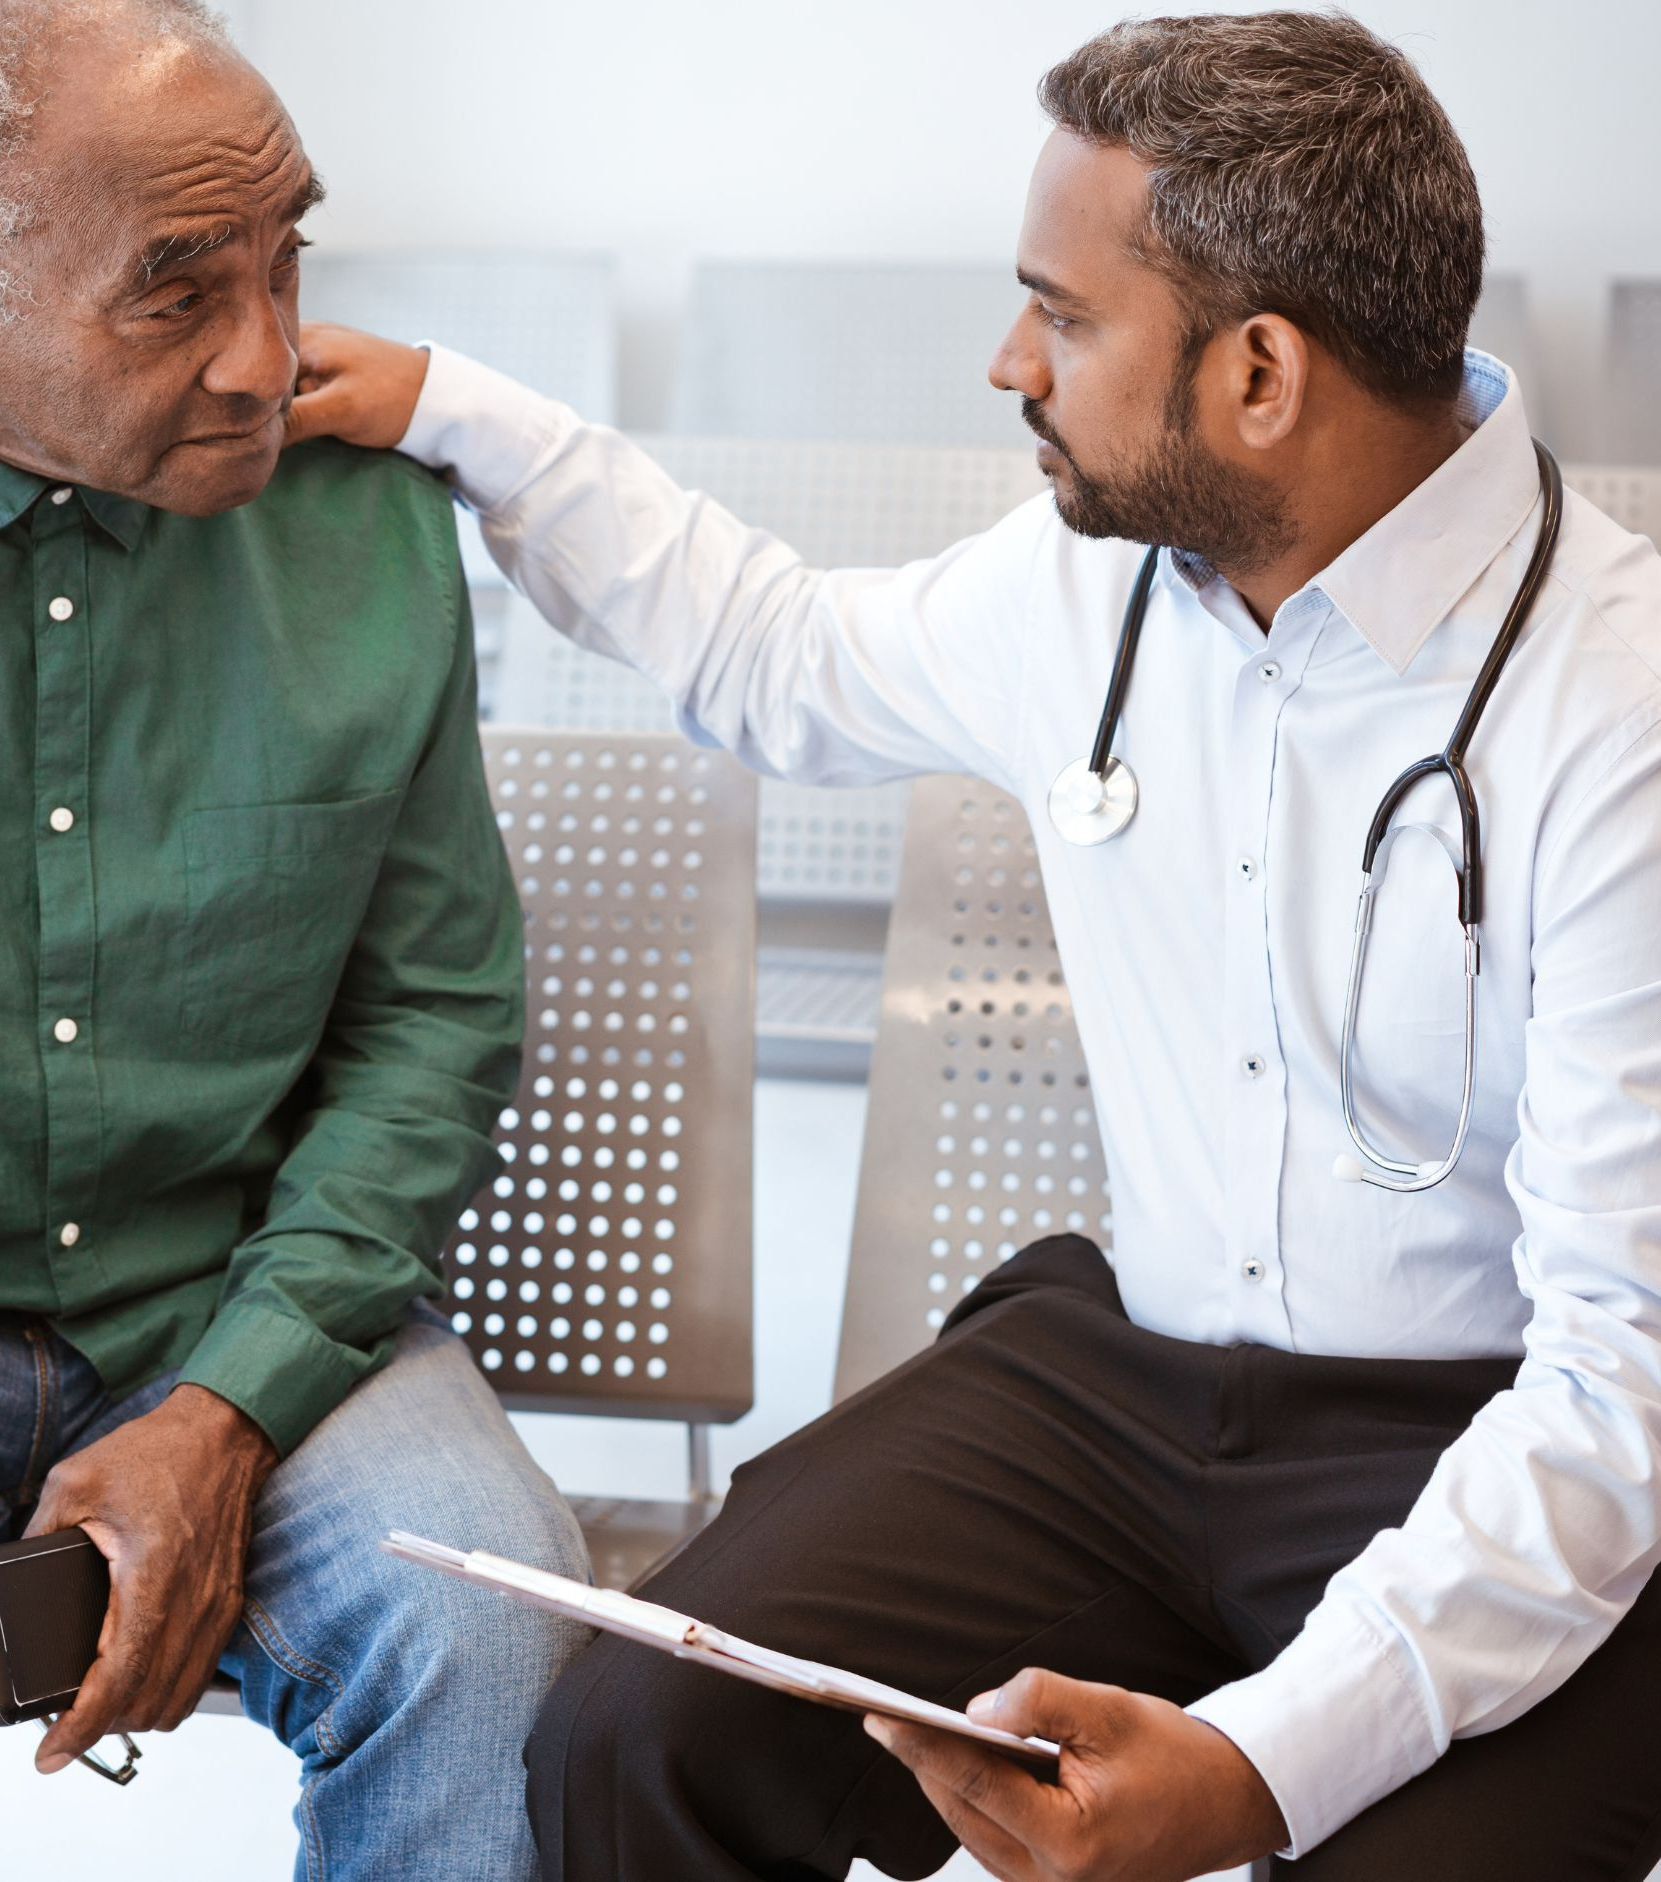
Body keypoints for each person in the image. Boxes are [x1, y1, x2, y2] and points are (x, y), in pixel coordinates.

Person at [285, 12, 1661, 1881]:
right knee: (638, 1736)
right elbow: (771, 650)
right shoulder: (1090, 578)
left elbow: (1617, 1380)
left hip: (1500, 1435)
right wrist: (452, 403)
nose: (1009, 362)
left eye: (1065, 317)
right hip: (1126, 1386)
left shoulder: (1622, 710)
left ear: (1261, 372)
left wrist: (1254, 1764)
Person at [0, 3, 588, 1879]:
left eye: (287, 255)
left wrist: (234, 1401)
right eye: (176, 294)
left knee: (520, 1662)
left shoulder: (370, 525)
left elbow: (431, 1020)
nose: (269, 353)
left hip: (233, 1293)